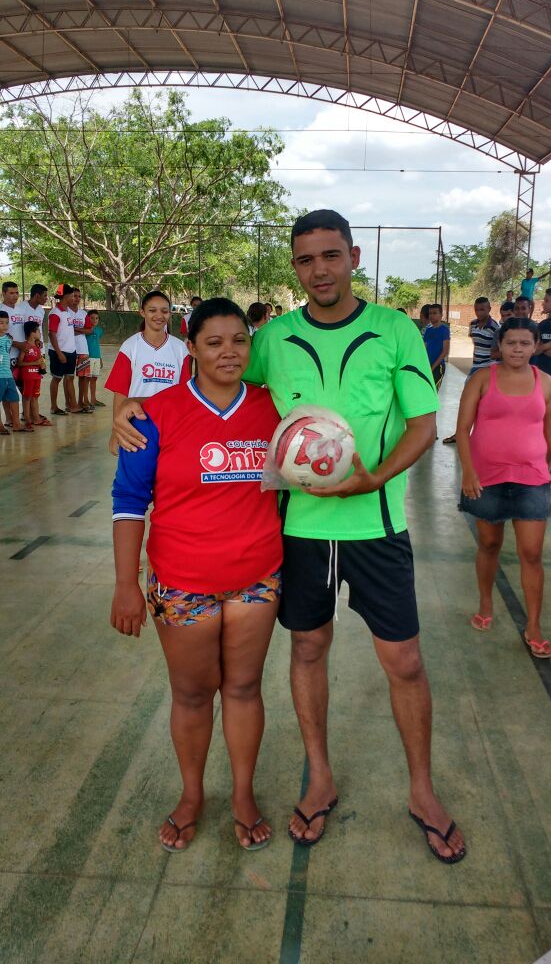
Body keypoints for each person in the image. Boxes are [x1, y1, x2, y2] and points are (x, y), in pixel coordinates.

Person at [113, 209, 466, 864]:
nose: (319, 269)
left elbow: (421, 425)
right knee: (307, 650)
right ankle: (319, 776)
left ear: (353, 257)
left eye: (330, 256)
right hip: (297, 532)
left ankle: (421, 790)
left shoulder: (393, 330)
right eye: (305, 260)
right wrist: (132, 407)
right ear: (294, 267)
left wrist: (374, 479)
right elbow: (216, 394)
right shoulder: (269, 339)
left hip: (376, 524)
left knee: (405, 662)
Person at [110, 298, 282, 851]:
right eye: (214, 342)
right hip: (181, 581)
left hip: (257, 576)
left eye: (239, 340)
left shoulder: (275, 406)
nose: (228, 352)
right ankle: (191, 795)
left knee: (243, 686)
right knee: (190, 693)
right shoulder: (153, 414)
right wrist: (124, 583)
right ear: (192, 348)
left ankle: (243, 793)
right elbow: (129, 501)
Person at [456, 318, 551, 658]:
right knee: (489, 544)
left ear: (535, 346)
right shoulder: (480, 379)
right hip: (487, 479)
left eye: (524, 343)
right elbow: (463, 429)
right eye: (511, 343)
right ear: (500, 346)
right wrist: (468, 473)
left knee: (531, 554)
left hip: (532, 479)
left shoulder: (545, 383)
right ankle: (486, 604)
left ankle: (533, 626)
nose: (517, 349)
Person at [105, 290, 190, 453]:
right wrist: (116, 430)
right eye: (152, 310)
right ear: (142, 312)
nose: (159, 315)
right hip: (137, 425)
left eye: (164, 311)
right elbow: (120, 393)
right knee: (138, 475)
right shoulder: (130, 346)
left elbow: (184, 393)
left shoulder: (180, 349)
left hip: (170, 424)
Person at [442, 297, 499, 444]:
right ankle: (461, 433)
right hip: (475, 366)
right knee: (467, 401)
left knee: (483, 403)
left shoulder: (495, 327)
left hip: (488, 367)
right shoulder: (472, 325)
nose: (479, 313)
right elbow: (475, 342)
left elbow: (496, 350)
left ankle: (482, 436)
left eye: (482, 309)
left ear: (489, 309)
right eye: (477, 309)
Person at [47, 285, 86, 416]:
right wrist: (58, 352)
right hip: (59, 352)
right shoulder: (55, 313)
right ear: (65, 297)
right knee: (56, 379)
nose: (74, 298)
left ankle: (73, 405)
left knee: (69, 378)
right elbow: (52, 334)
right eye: (72, 295)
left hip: (70, 350)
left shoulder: (67, 311)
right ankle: (53, 406)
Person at [17, 321, 49, 430]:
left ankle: (36, 418)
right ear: (32, 333)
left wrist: (42, 365)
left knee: (35, 397)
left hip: (36, 376)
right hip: (28, 377)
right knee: (27, 398)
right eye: (38, 331)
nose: (40, 333)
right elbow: (20, 363)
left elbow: (39, 360)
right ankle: (27, 420)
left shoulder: (37, 346)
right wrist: (35, 363)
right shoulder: (25, 346)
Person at [0, 310, 26, 433]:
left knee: (14, 398)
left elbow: (7, 353)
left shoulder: (8, 339)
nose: (5, 325)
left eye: (6, 323)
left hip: (7, 374)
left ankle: (16, 423)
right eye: (1, 323)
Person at [70, 288, 93, 412]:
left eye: (79, 296)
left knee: (83, 377)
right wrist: (79, 329)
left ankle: (81, 402)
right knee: (68, 377)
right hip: (68, 348)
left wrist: (76, 329)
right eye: (74, 296)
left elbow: (89, 330)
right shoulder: (65, 312)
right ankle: (70, 404)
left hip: (82, 348)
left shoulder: (83, 314)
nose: (77, 298)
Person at [424, 303, 450, 390]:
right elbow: (424, 348)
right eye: (430, 313)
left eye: (434, 313)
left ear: (441, 315)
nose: (431, 315)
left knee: (433, 391)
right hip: (427, 366)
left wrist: (433, 367)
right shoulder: (428, 330)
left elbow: (445, 351)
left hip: (438, 367)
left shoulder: (444, 330)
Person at [87, 310, 105, 408]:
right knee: (87, 379)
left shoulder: (99, 330)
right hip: (88, 357)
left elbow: (97, 344)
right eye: (92, 318)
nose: (95, 320)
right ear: (88, 318)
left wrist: (100, 357)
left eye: (97, 318)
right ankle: (85, 400)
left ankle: (93, 399)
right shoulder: (85, 330)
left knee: (94, 378)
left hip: (96, 357)